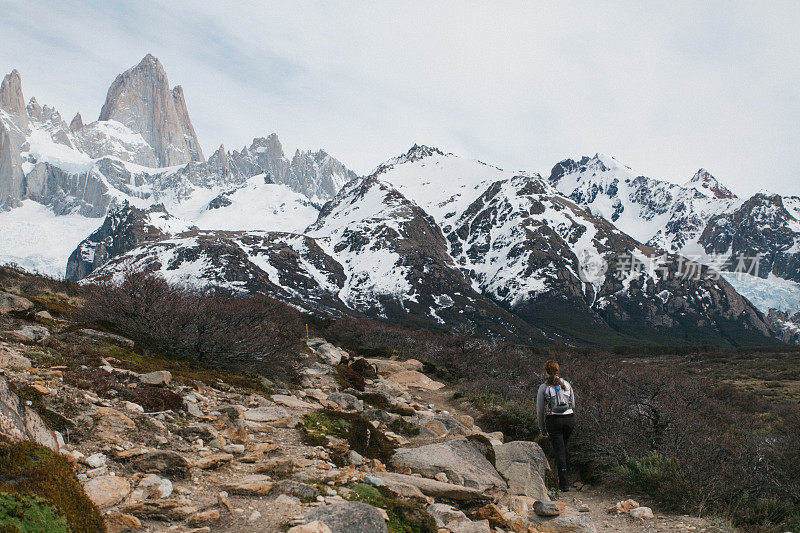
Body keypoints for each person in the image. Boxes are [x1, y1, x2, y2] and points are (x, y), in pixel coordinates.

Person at [536, 360, 575, 492]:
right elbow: (573, 404)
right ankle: (569, 478)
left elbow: (540, 410)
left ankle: (564, 484)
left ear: (546, 371)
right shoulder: (567, 384)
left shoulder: (544, 387)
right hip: (569, 419)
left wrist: (542, 429)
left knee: (559, 451)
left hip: (554, 420)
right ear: (558, 370)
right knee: (564, 447)